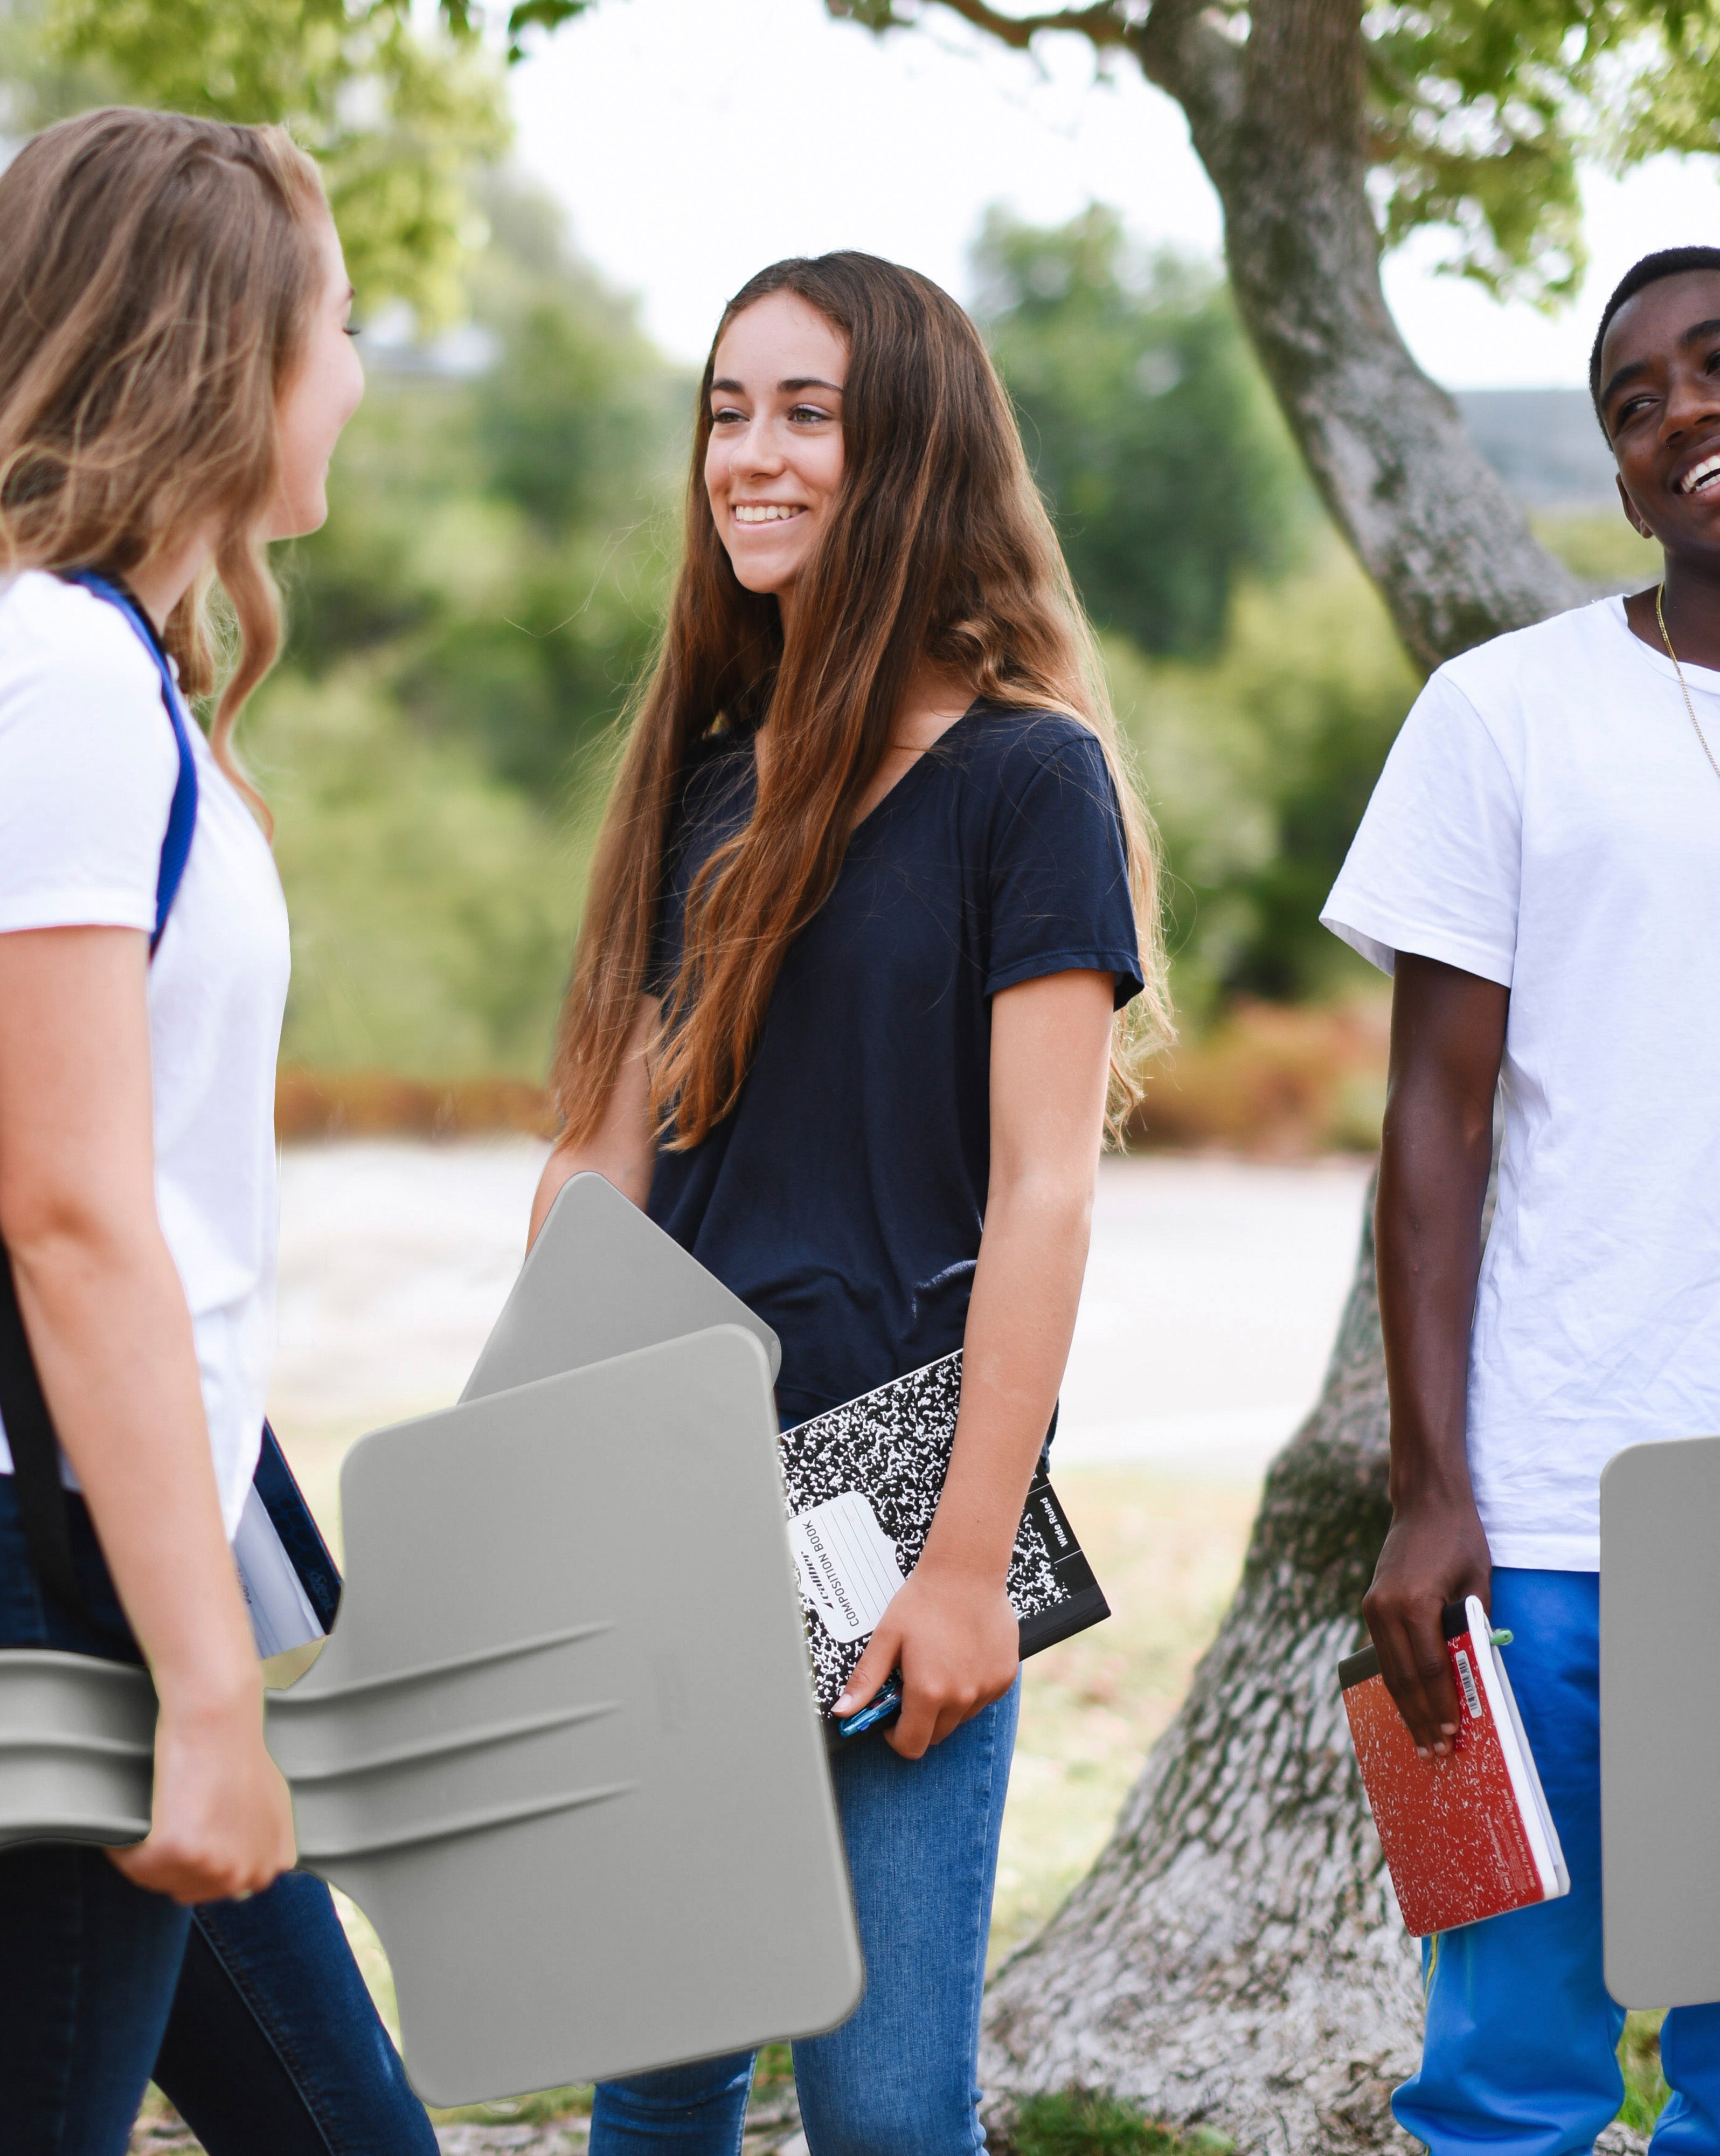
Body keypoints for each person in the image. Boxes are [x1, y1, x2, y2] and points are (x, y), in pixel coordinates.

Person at [0, 107, 438, 2156]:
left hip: (70, 1522)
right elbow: (71, 1211)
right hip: (37, 1542)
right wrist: (203, 1688)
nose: (352, 367)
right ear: (220, 356)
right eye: (334, 320)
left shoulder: (37, 651)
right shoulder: (49, 671)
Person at [529, 251, 1162, 2156]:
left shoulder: (1027, 782)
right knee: (655, 2082)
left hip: (899, 1491)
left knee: (888, 2116)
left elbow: (1049, 1191)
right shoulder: (707, 785)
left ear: (910, 453)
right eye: (728, 411)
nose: (752, 454)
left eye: (807, 410)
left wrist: (967, 1559)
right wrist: (523, 1479)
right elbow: (604, 1167)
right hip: (673, 1479)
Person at [1330, 245, 1720, 2156]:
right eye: (1633, 402)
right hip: (1549, 1515)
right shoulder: (1502, 716)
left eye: (1713, 364)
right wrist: (1427, 1491)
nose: (1680, 415)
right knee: (1507, 2079)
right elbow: (1433, 1129)